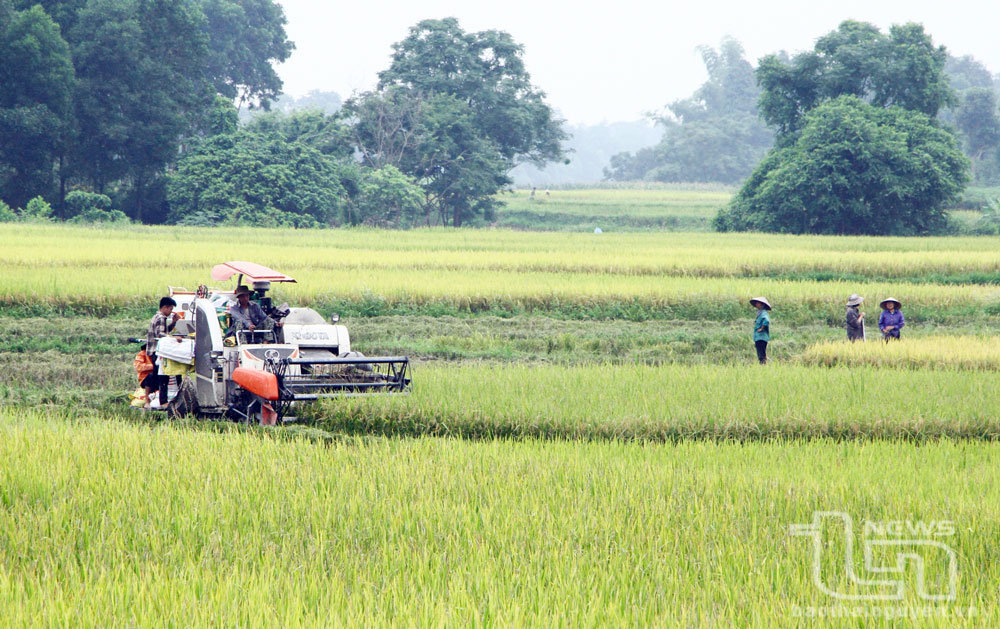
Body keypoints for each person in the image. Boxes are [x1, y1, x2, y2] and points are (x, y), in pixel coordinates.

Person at [144, 296, 179, 408]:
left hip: (153, 351)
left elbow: (164, 330)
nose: (171, 312)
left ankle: (151, 400)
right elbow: (161, 335)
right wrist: (175, 339)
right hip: (157, 351)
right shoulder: (161, 318)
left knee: (156, 376)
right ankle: (162, 402)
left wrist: (173, 323)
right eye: (170, 309)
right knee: (162, 376)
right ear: (164, 307)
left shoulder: (157, 317)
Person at [749, 297, 772, 364]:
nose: (756, 304)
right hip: (758, 337)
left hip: (761, 337)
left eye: (758, 303)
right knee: (760, 353)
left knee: (761, 354)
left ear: (762, 304)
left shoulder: (763, 313)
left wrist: (762, 328)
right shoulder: (760, 313)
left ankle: (763, 366)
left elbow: (766, 321)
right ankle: (763, 365)